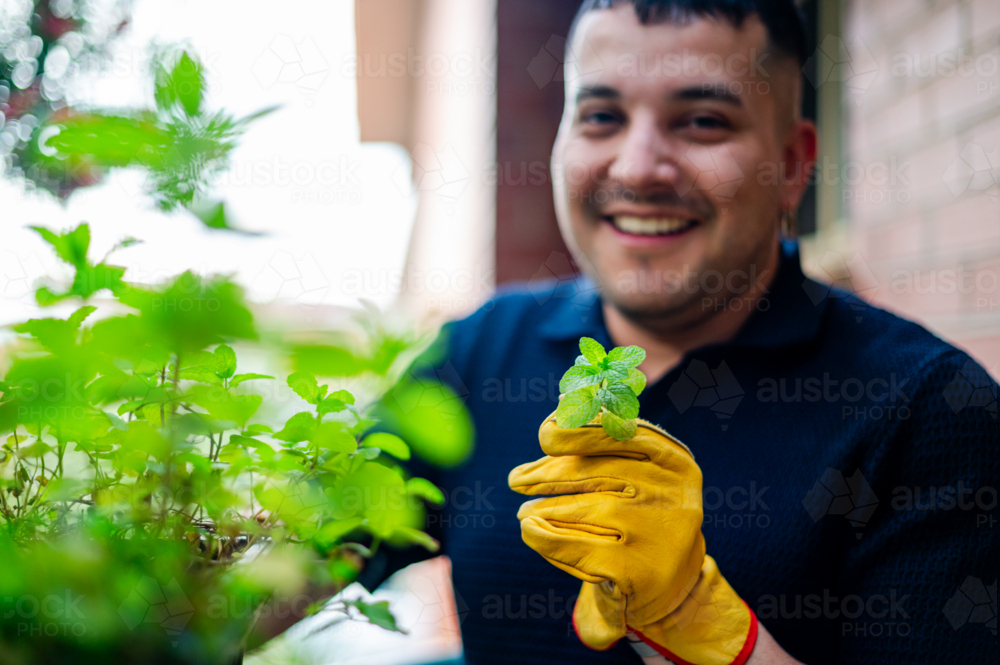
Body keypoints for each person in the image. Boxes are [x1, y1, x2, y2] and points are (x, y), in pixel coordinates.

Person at [367, 1, 998, 663]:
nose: (638, 169)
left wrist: (692, 618)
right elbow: (290, 549)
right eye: (602, 116)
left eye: (702, 121)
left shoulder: (933, 409)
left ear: (791, 164)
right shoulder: (479, 350)